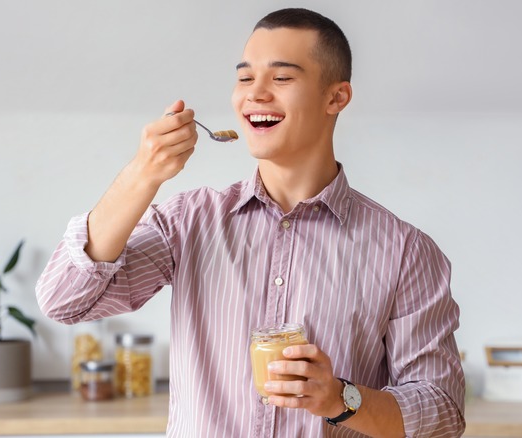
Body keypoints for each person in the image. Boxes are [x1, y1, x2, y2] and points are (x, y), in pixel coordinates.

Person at [37, 7, 465, 438]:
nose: (254, 94)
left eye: (281, 79)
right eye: (244, 78)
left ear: (336, 97)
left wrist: (339, 398)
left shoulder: (406, 250)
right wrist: (141, 174)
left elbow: (443, 415)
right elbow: (64, 301)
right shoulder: (189, 222)